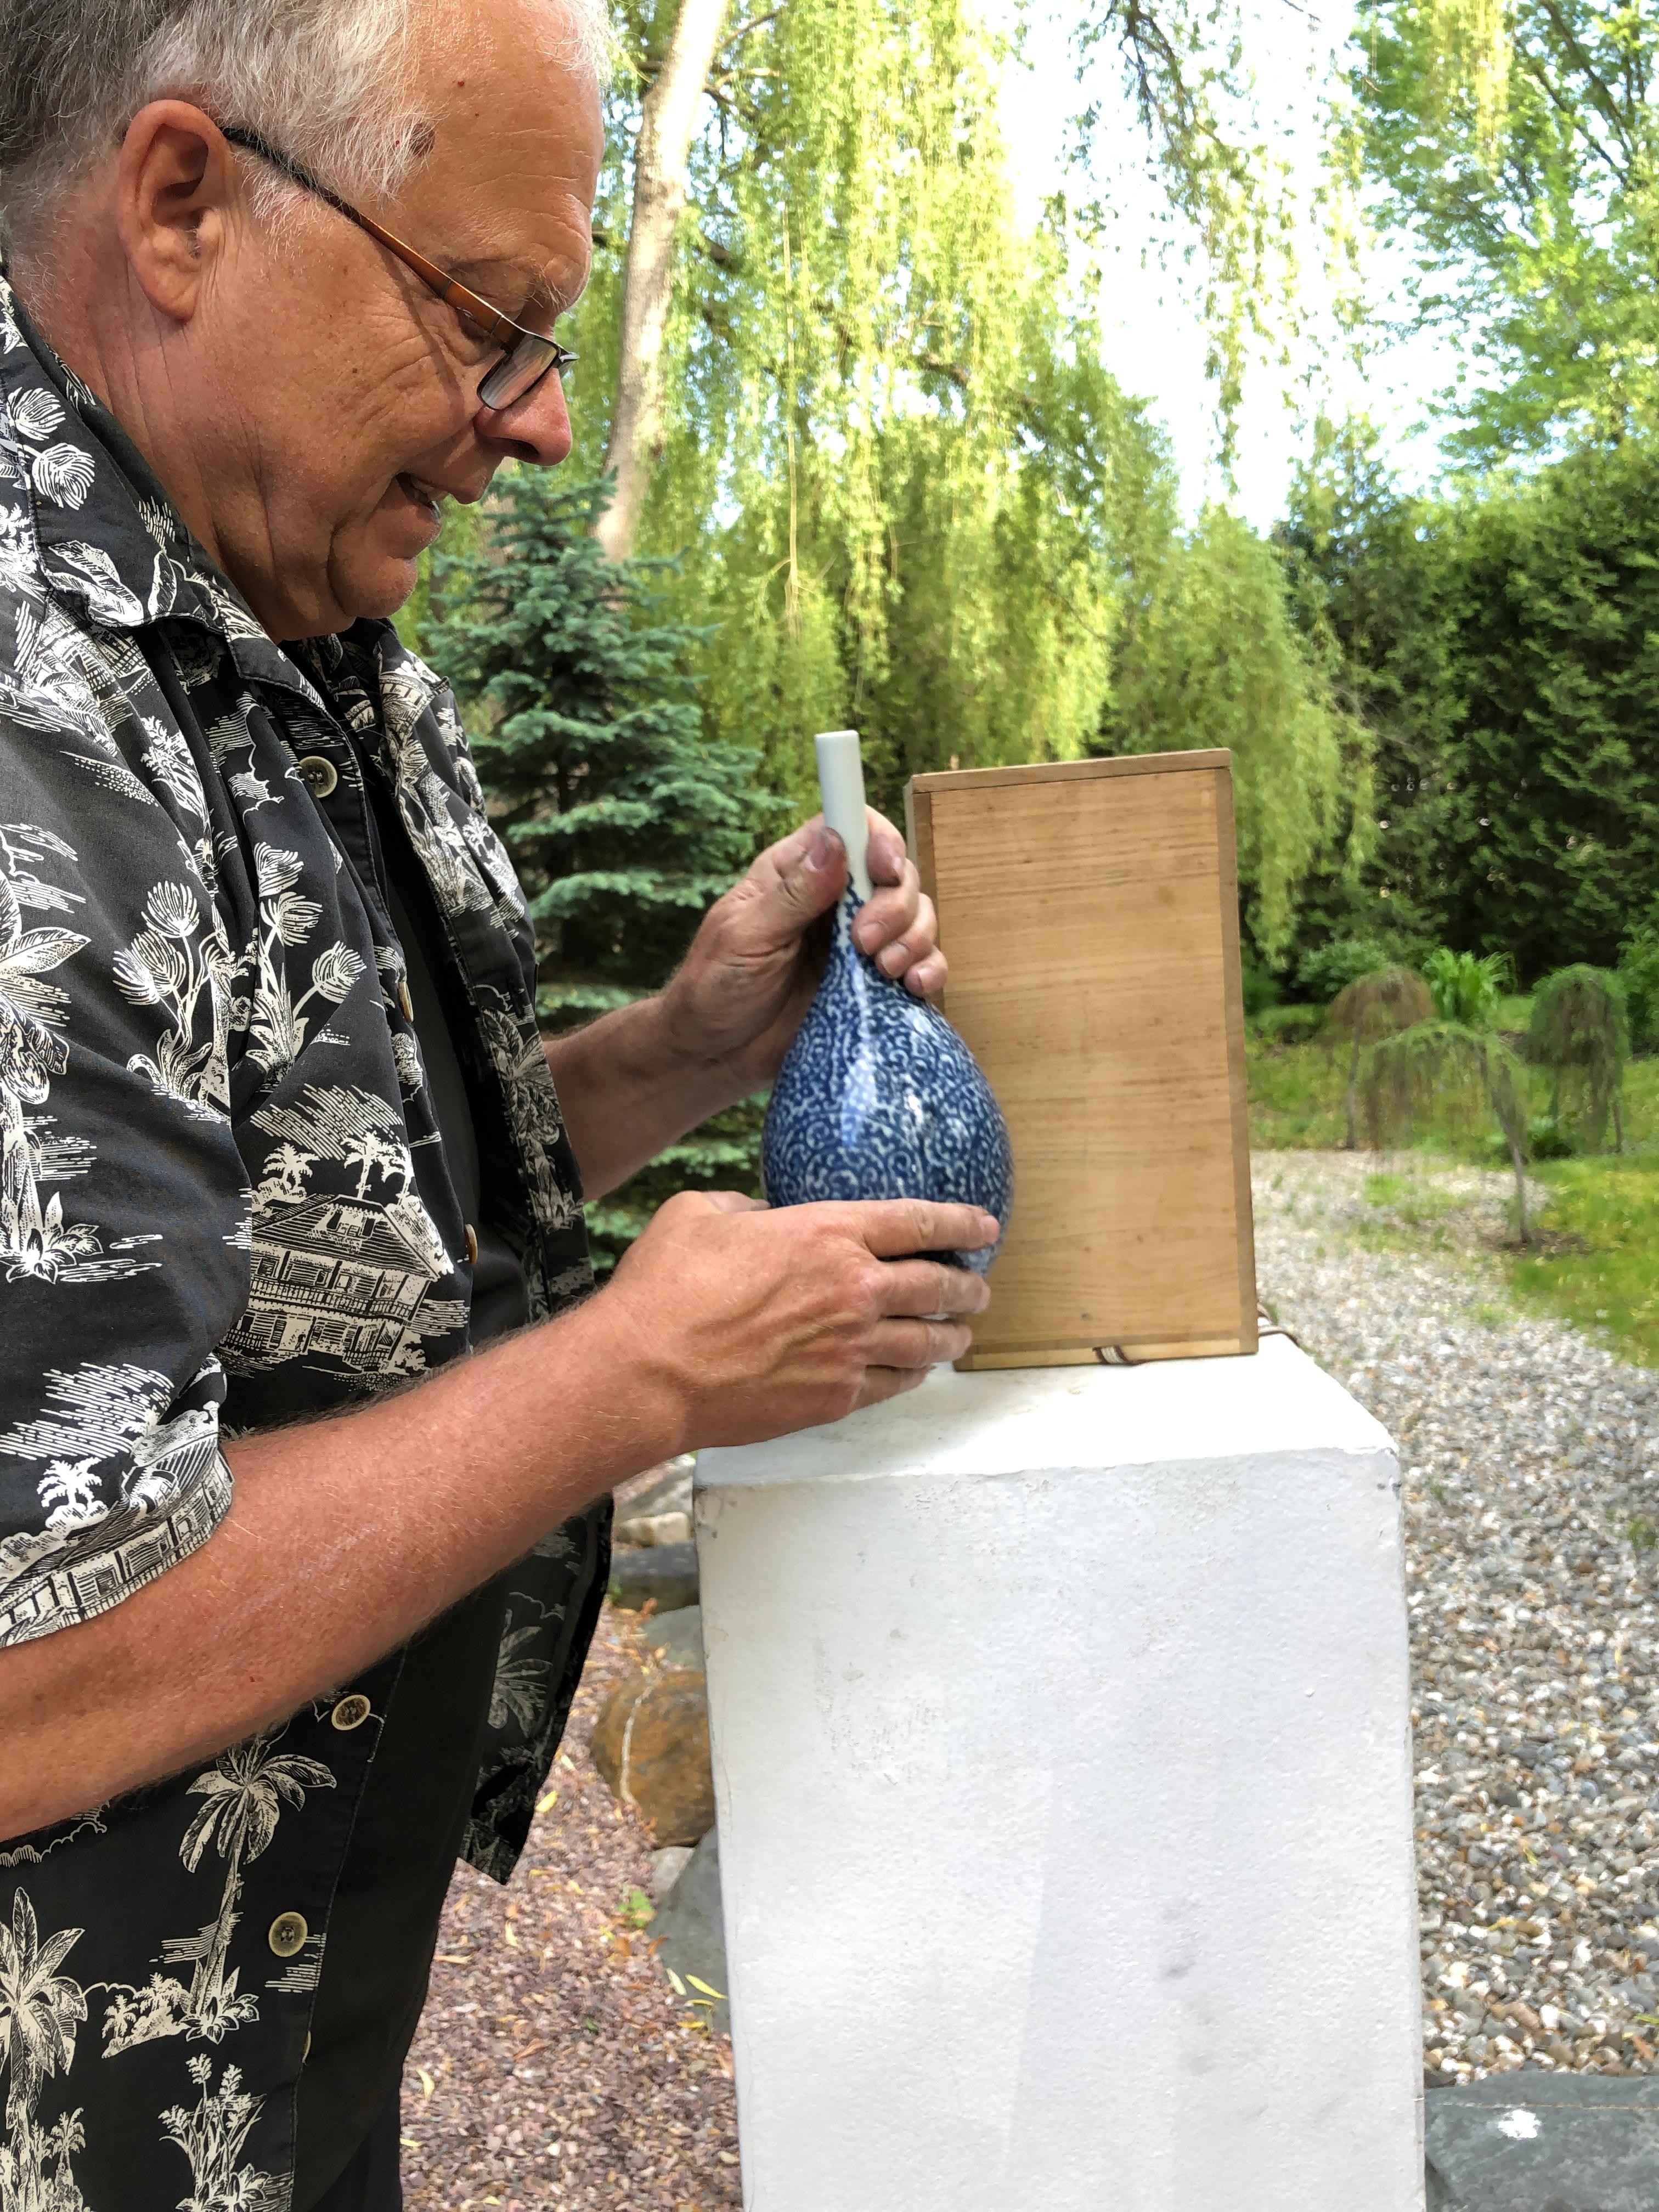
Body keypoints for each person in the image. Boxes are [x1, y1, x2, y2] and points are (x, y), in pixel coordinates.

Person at [0, 2, 997, 2204]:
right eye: (491, 320)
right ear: (181, 205)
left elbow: (266, 1215)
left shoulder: (295, 607)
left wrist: (678, 1051)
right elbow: (27, 1647)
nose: (541, 424)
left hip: (270, 2061)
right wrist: (631, 1380)